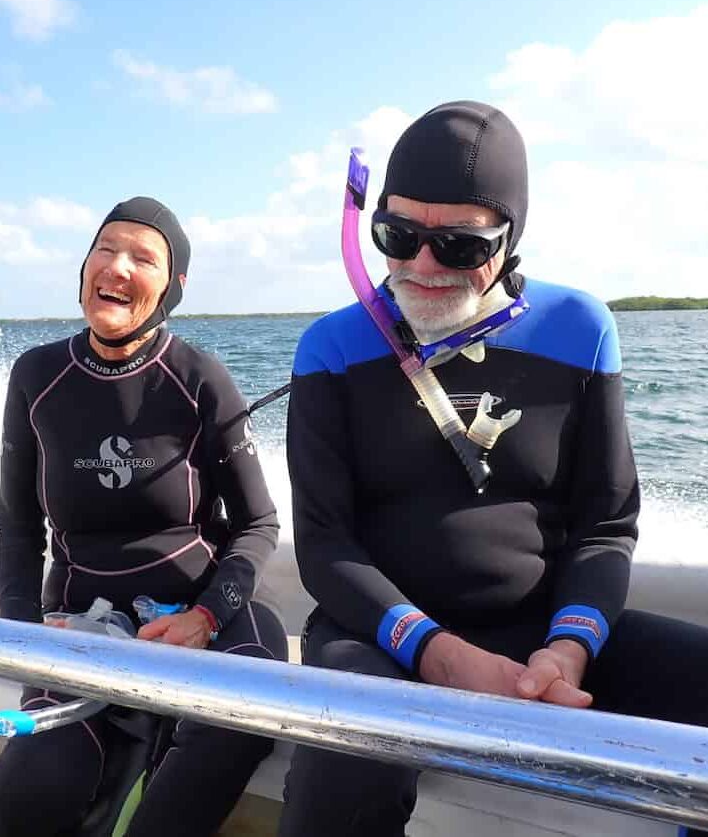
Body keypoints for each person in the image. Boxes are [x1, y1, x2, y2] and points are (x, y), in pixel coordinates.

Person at [278, 101, 708, 837]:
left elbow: (605, 525)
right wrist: (439, 657)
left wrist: (569, 648)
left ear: (509, 242)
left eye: (459, 247)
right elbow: (323, 543)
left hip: (545, 634)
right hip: (379, 636)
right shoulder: (332, 347)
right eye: (398, 235)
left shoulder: (581, 328)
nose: (421, 265)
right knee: (347, 759)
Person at [0, 197, 287, 837]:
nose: (117, 266)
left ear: (173, 287)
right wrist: (26, 637)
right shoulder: (38, 376)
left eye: (144, 257)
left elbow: (259, 523)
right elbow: (19, 526)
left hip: (201, 607)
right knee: (36, 781)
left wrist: (205, 616)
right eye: (105, 248)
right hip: (82, 618)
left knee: (235, 723)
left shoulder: (199, 377)